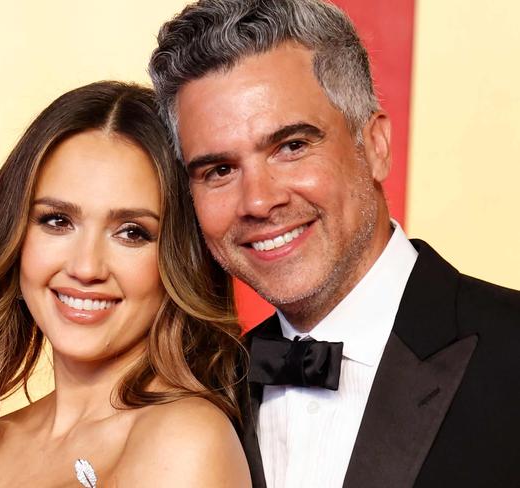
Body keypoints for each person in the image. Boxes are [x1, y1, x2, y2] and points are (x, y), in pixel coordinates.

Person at [148, 0, 520, 487]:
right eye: (219, 170)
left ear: (375, 147)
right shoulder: (199, 392)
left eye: (292, 146)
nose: (258, 201)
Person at [0, 81, 250, 487]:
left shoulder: (184, 440)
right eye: (57, 221)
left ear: (181, 257)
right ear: (15, 236)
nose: (86, 267)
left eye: (132, 232)